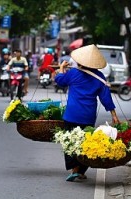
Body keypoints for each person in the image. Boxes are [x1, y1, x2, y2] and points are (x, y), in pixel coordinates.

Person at [55, 44, 120, 182]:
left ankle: (74, 169)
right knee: (86, 143)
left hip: (71, 114)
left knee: (69, 141)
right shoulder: (100, 77)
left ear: (80, 61)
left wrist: (61, 68)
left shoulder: (73, 73)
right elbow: (106, 98)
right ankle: (79, 170)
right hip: (87, 116)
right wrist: (114, 115)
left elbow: (59, 81)